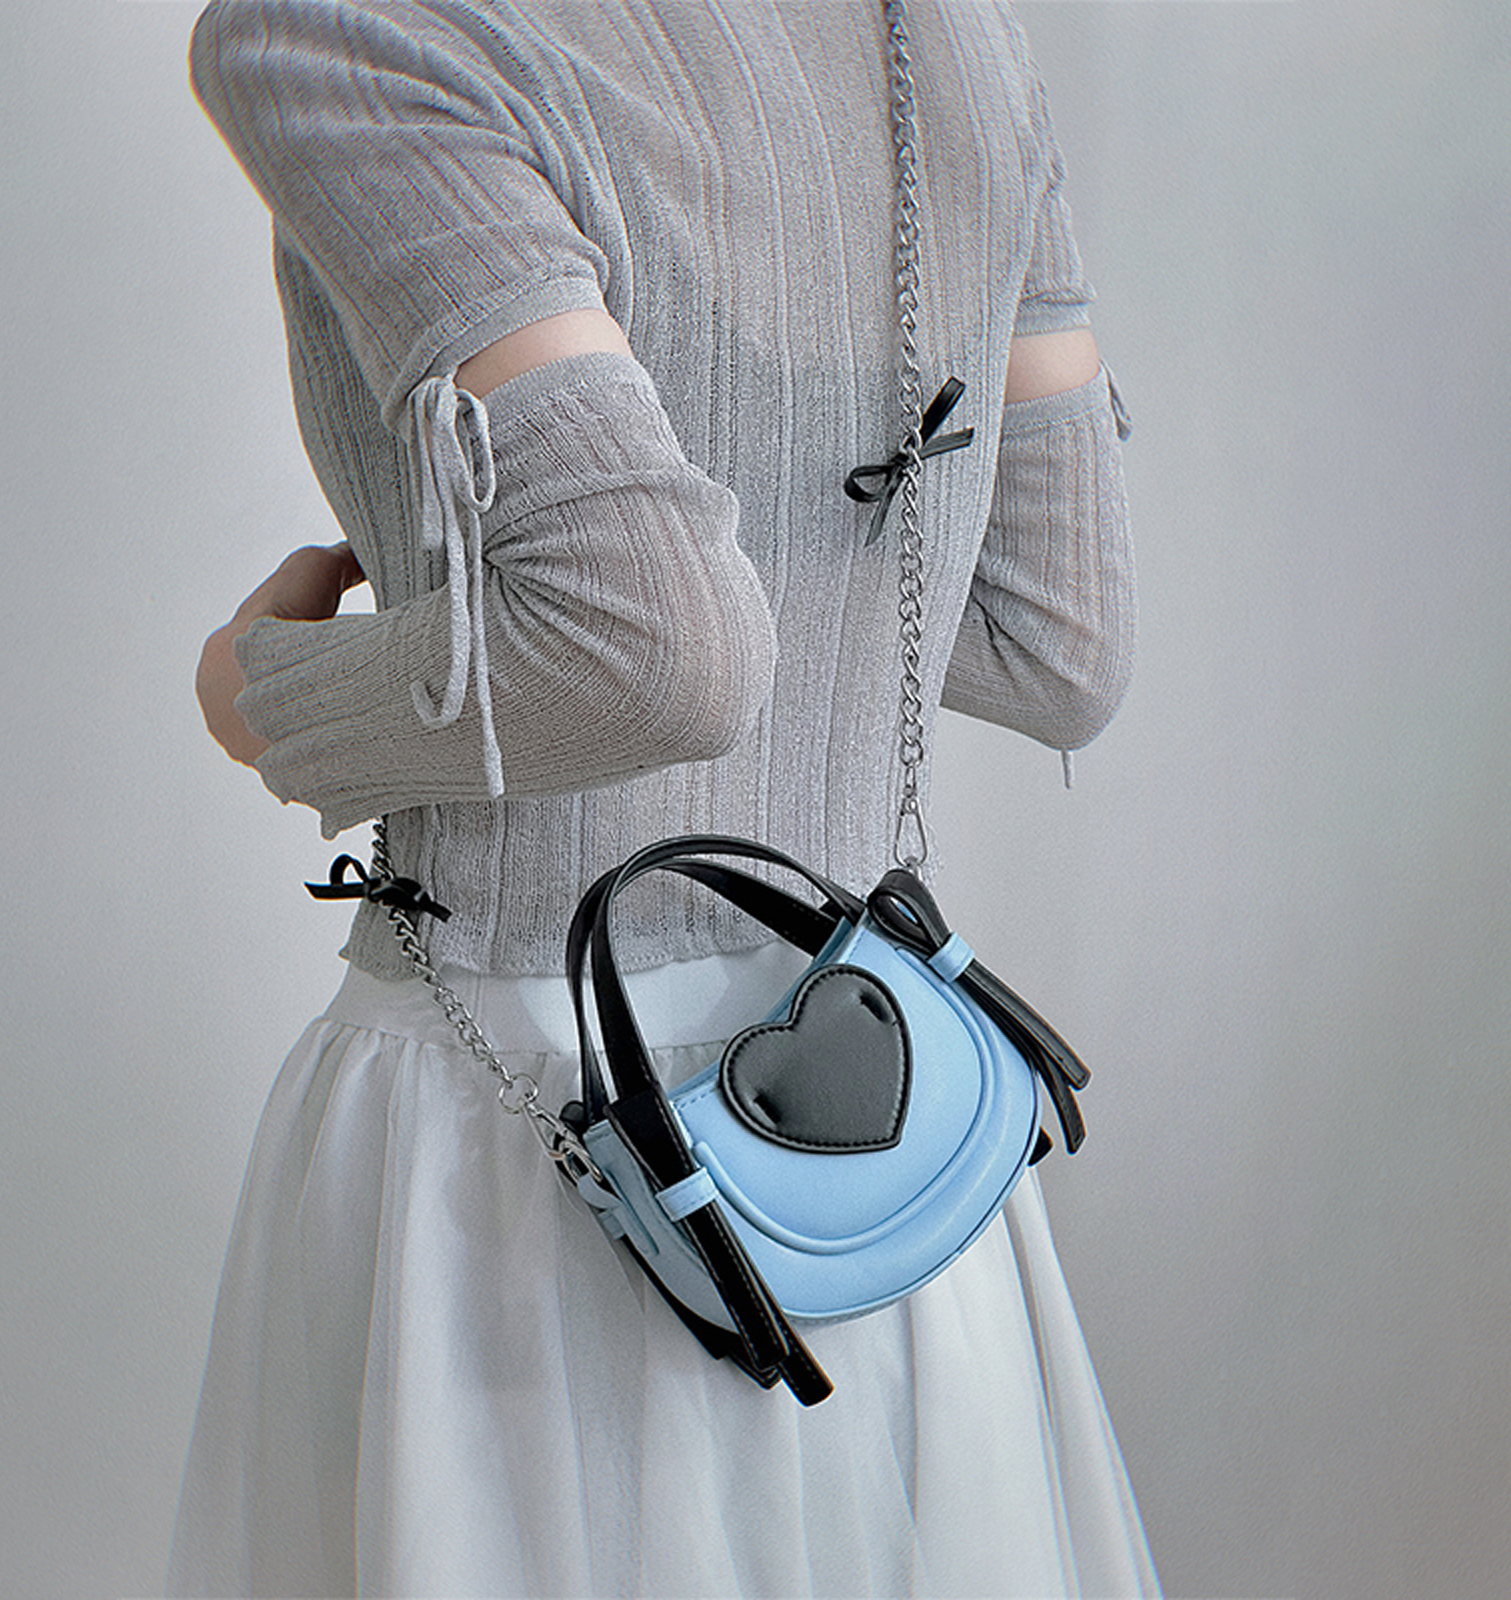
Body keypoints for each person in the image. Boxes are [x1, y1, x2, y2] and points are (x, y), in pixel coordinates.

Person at [173, 1, 1157, 1594]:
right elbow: (1059, 637)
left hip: (524, 1155)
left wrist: (265, 693)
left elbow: (654, 651)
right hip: (882, 1142)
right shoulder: (946, 29)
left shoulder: (355, 28)